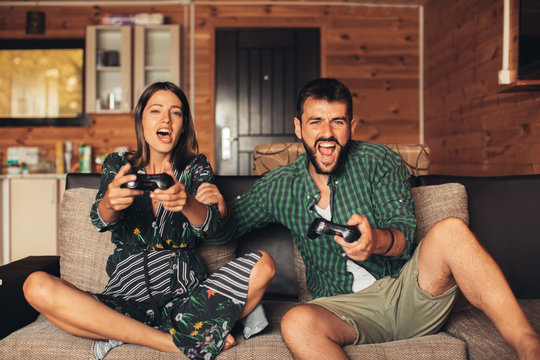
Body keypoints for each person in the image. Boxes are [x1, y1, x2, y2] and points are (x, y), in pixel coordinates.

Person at [198, 78, 540, 359]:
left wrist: (374, 240)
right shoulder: (280, 186)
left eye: (338, 121)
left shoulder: (378, 161)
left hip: (407, 294)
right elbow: (220, 233)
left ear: (352, 126)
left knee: (451, 230)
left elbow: (404, 235)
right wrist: (217, 207)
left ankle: (528, 345)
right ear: (298, 128)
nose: (327, 133)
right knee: (297, 321)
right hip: (342, 311)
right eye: (316, 121)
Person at [22, 81, 275, 360]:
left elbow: (211, 225)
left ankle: (126, 333)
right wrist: (110, 204)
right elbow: (99, 219)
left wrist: (187, 202)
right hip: (123, 301)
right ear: (141, 119)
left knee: (263, 263)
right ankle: (173, 341)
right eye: (156, 110)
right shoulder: (118, 164)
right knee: (36, 285)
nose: (166, 119)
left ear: (183, 124)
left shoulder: (195, 166)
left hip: (185, 300)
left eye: (176, 113)